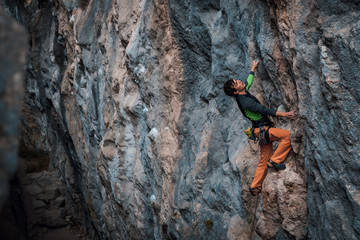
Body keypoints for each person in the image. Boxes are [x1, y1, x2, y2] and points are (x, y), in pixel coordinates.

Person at [223, 60, 297, 196]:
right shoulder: (246, 102)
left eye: (237, 80)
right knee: (287, 136)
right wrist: (285, 114)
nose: (239, 81)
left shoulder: (243, 92)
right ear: (235, 91)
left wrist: (252, 68)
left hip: (260, 131)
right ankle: (275, 161)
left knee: (264, 160)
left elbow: (248, 81)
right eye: (237, 83)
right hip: (263, 130)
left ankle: (255, 187)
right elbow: (264, 110)